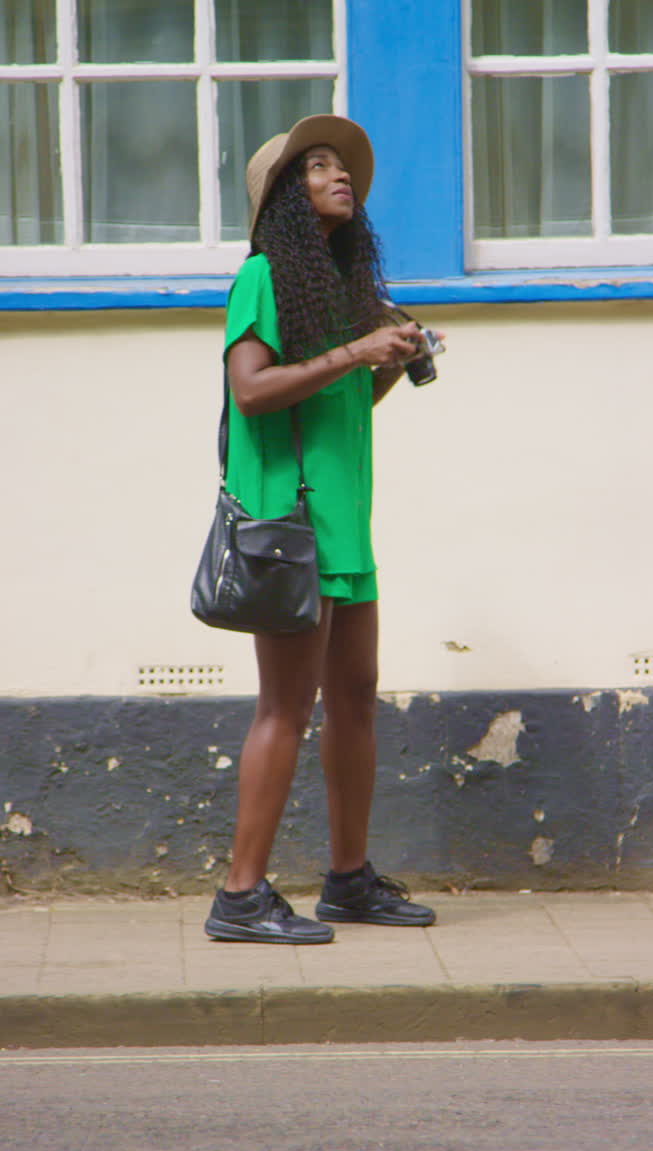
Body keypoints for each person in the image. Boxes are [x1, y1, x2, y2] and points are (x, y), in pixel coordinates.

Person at [204, 114, 437, 945]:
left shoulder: (337, 293)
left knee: (354, 700)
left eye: (344, 169)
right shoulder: (263, 277)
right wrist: (353, 350)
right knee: (285, 707)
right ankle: (239, 895)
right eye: (321, 168)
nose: (342, 177)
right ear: (287, 200)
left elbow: (335, 404)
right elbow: (255, 390)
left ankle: (347, 879)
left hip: (342, 524)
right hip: (286, 527)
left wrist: (386, 363)